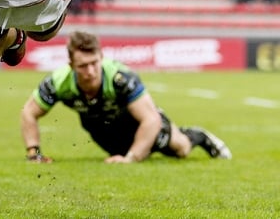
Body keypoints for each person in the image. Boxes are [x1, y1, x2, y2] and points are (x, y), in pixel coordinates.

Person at [20, 31, 232, 163]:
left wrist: (131, 159)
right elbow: (29, 112)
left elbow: (150, 120)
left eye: (94, 63)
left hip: (136, 119)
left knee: (179, 150)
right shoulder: (59, 82)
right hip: (100, 128)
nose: (91, 71)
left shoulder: (120, 77)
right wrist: (33, 154)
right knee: (120, 154)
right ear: (71, 65)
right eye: (83, 66)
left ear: (101, 57)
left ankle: (199, 136)